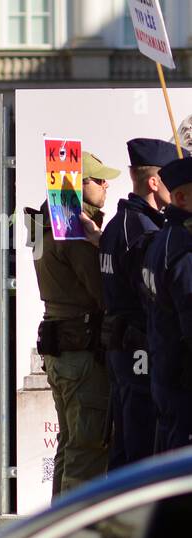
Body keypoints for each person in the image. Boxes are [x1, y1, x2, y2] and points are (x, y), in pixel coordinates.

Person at [27, 151, 119, 496]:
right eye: (98, 180)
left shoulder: (49, 223)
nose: (106, 185)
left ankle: (58, 531)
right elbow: (101, 291)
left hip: (63, 350)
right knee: (88, 449)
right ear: (80, 187)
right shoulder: (74, 231)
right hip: (81, 354)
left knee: (71, 445)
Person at [98, 139, 179, 469]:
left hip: (123, 351)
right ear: (154, 181)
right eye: (172, 181)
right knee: (142, 447)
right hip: (139, 350)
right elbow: (152, 297)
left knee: (126, 442)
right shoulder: (142, 231)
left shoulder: (118, 225)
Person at [140, 156, 192, 453]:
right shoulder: (183, 250)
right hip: (183, 381)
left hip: (165, 375)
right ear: (182, 197)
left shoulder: (161, 240)